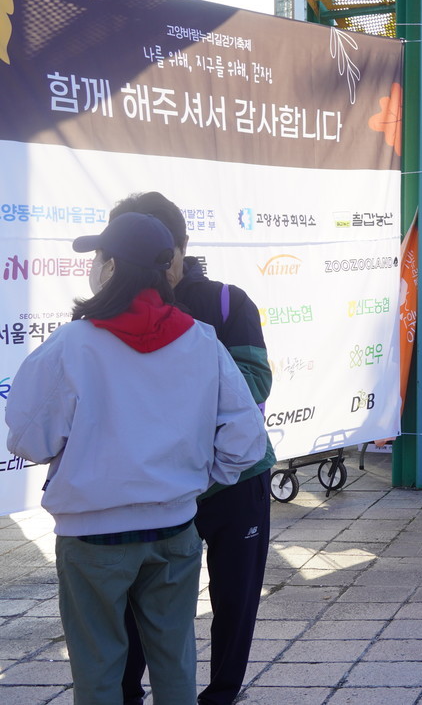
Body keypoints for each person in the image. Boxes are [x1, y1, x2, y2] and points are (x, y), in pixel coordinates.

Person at [5, 212, 267, 704]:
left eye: (98, 257)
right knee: (175, 663)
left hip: (91, 537)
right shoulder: (201, 339)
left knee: (98, 669)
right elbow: (246, 438)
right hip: (174, 529)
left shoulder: (72, 344)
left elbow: (28, 439)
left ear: (110, 268)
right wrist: (196, 477)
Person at [110, 192, 274, 705]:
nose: (153, 268)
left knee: (235, 599)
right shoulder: (107, 313)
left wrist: (178, 388)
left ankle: (221, 694)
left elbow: (255, 382)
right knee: (140, 601)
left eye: (163, 255)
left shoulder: (227, 301)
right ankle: (126, 692)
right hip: (157, 483)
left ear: (182, 247)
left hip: (235, 479)